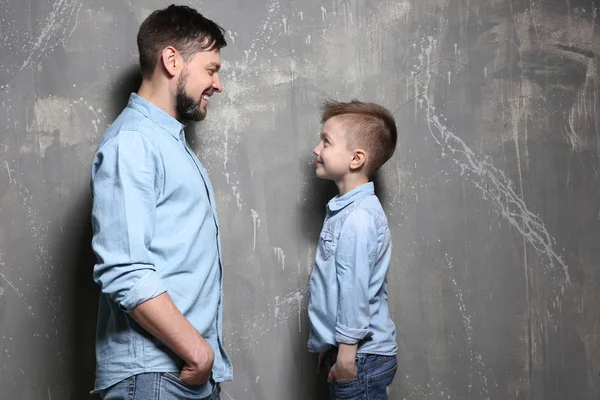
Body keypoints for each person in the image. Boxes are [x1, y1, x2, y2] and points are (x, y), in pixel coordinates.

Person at [90, 5, 232, 399]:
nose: (217, 84)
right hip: (155, 377)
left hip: (178, 374)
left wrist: (204, 360)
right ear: (172, 60)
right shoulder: (133, 143)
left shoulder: (166, 142)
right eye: (211, 69)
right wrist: (198, 351)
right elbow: (125, 269)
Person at [308, 100, 399, 399]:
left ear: (356, 159)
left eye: (326, 142)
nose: (316, 149)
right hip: (351, 350)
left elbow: (354, 290)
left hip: (361, 357)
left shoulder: (358, 219)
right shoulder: (348, 212)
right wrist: (331, 344)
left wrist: (346, 353)